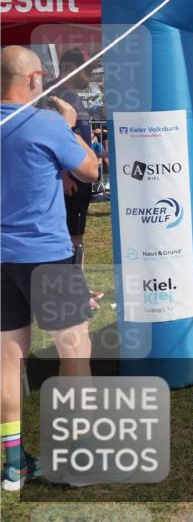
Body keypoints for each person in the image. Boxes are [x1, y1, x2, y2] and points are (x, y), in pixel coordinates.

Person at [1, 46, 100, 490]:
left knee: (7, 360)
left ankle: (12, 465)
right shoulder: (44, 124)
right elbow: (92, 171)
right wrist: (72, 126)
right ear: (36, 79)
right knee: (75, 353)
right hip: (46, 254)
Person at [53, 49, 94, 262]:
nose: (91, 76)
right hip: (71, 179)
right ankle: (75, 289)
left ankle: (78, 286)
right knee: (71, 238)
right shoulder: (56, 95)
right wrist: (64, 174)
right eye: (87, 70)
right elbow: (50, 137)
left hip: (80, 175)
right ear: (69, 68)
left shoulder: (71, 95)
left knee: (77, 236)